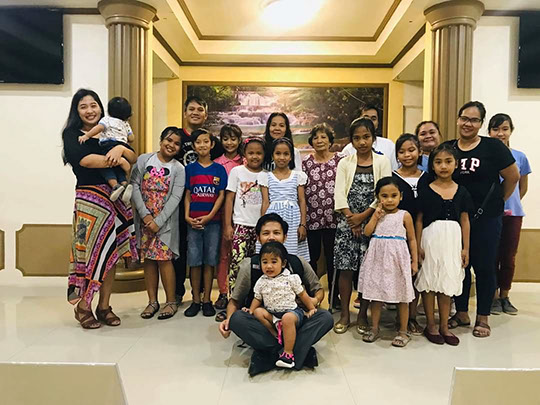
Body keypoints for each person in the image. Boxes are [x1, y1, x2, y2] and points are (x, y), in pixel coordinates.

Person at [218, 213, 333, 376]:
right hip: (264, 324)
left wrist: (312, 302)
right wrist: (229, 320)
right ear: (258, 237)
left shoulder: (297, 262)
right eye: (266, 233)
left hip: (294, 319)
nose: (271, 237)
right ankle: (295, 352)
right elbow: (235, 301)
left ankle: (268, 355)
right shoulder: (249, 265)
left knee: (325, 317)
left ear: (285, 237)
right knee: (237, 319)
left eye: (276, 233)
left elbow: (318, 290)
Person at [62, 88, 138, 329]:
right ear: (76, 111)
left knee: (110, 253)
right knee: (90, 254)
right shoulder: (72, 134)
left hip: (116, 200)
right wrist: (120, 159)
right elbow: (84, 160)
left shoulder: (111, 128)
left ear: (100, 107)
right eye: (83, 106)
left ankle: (104, 306)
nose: (89, 110)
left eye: (93, 105)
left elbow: (133, 156)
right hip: (90, 201)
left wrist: (121, 151)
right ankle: (84, 306)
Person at [444, 101, 519, 338]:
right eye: (464, 118)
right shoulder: (448, 148)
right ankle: (462, 312)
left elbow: (513, 176)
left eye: (474, 120)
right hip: (456, 220)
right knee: (460, 266)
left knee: (485, 267)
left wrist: (498, 201)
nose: (468, 124)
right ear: (458, 119)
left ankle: (483, 317)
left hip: (487, 218)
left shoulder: (493, 147)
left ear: (481, 123)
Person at [333, 118, 392, 334]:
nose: (362, 142)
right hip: (346, 221)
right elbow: (339, 193)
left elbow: (384, 193)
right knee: (346, 269)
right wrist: (351, 218)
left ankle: (362, 315)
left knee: (368, 270)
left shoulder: (382, 161)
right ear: (352, 141)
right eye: (357, 138)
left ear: (373, 138)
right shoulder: (344, 163)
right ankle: (345, 315)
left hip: (374, 220)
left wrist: (363, 217)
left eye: (366, 137)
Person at [415, 144, 472, 346]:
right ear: (432, 165)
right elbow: (419, 220)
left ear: (456, 164)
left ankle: (444, 326)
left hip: (453, 240)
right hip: (430, 239)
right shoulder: (425, 190)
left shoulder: (462, 191)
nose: (443, 166)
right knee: (429, 280)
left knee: (447, 281)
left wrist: (466, 248)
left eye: (448, 161)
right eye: (438, 162)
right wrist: (417, 246)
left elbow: (465, 220)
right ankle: (431, 325)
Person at [173, 96, 224, 306]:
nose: (195, 112)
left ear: (206, 114)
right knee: (183, 251)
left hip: (210, 212)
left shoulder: (214, 143)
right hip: (181, 205)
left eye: (200, 109)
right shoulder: (176, 136)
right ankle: (179, 294)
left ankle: (205, 296)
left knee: (208, 255)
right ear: (185, 112)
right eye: (191, 109)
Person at [131, 127, 185, 320]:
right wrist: (145, 216)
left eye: (176, 143)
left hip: (165, 223)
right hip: (144, 220)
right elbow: (134, 186)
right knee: (149, 260)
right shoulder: (144, 160)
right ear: (161, 140)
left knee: (164, 260)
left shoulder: (179, 169)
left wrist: (158, 221)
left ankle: (170, 302)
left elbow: (176, 197)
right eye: (168, 140)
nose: (171, 145)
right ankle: (152, 301)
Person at [358, 177, 418, 347]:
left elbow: (412, 239)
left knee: (402, 296)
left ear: (401, 196)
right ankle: (375, 328)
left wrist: (414, 261)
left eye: (394, 195)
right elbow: (367, 232)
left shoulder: (404, 215)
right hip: (377, 259)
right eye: (384, 196)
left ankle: (403, 331)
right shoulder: (377, 214)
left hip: (397, 259)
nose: (389, 200)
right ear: (377, 197)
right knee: (376, 295)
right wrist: (375, 217)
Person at [215, 137, 265, 322]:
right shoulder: (237, 172)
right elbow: (229, 199)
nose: (254, 156)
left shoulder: (265, 175)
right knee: (236, 266)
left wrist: (264, 227)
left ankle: (252, 305)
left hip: (259, 229)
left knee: (257, 268)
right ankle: (233, 303)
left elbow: (266, 201)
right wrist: (228, 225)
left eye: (258, 153)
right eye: (251, 153)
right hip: (240, 226)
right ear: (244, 154)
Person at [488, 113, 531, 315]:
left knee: (508, 257)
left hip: (513, 214)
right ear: (489, 132)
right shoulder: (486, 156)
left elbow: (522, 187)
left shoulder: (520, 157)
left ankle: (505, 296)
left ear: (511, 131)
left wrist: (509, 202)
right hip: (490, 214)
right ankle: (493, 297)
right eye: (495, 129)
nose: (500, 133)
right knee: (491, 256)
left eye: (504, 129)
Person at [249, 241, 317, 369]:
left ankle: (288, 354)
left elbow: (303, 295)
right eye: (265, 262)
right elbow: (257, 298)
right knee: (258, 312)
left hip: (292, 313)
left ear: (283, 263)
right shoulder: (261, 281)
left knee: (287, 318)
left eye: (274, 262)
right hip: (273, 315)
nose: (269, 266)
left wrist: (311, 308)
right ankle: (277, 335)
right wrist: (251, 310)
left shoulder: (291, 278)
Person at [183, 129, 228, 317]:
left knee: (210, 261)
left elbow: (221, 196)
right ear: (194, 146)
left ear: (212, 144)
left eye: (205, 141)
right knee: (194, 262)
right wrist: (187, 216)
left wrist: (210, 216)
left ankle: (207, 299)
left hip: (213, 223)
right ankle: (195, 300)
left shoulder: (219, 169)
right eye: (198, 142)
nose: (202, 145)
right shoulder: (189, 169)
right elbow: (187, 194)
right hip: (193, 223)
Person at [302, 123, 344, 309]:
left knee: (332, 259)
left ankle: (335, 297)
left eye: (323, 137)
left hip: (334, 219)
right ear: (311, 141)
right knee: (311, 259)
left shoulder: (340, 160)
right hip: (311, 219)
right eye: (316, 137)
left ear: (330, 140)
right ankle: (312, 296)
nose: (319, 140)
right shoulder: (305, 163)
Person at [392, 133, 429, 335]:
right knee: (401, 276)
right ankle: (400, 318)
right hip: (398, 236)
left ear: (420, 151)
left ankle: (412, 317)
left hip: (424, 233)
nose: (407, 155)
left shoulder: (427, 178)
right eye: (402, 151)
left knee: (417, 275)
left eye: (411, 150)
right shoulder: (392, 179)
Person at [259, 138, 310, 261]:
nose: (282, 157)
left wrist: (303, 224)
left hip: (293, 219)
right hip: (273, 217)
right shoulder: (266, 176)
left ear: (291, 157)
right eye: (278, 153)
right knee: (273, 251)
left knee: (293, 254)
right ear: (272, 156)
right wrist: (262, 225)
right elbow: (265, 202)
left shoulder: (298, 176)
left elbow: (302, 201)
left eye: (286, 154)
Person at [78, 96, 135, 203]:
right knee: (118, 168)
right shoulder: (125, 124)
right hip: (123, 144)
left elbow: (99, 128)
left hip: (108, 144)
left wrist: (87, 136)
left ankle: (115, 186)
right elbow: (131, 138)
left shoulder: (106, 120)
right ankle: (124, 184)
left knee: (106, 166)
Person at [214, 124, 244, 311]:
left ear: (239, 140)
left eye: (233, 139)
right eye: (226, 139)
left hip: (243, 215)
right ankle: (223, 292)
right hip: (222, 215)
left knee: (240, 256)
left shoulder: (245, 162)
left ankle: (241, 293)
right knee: (224, 255)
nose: (229, 143)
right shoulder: (217, 164)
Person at [342, 105, 398, 170]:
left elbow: (394, 171)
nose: (369, 122)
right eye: (366, 118)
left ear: (378, 122)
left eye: (373, 119)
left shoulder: (389, 145)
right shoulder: (348, 150)